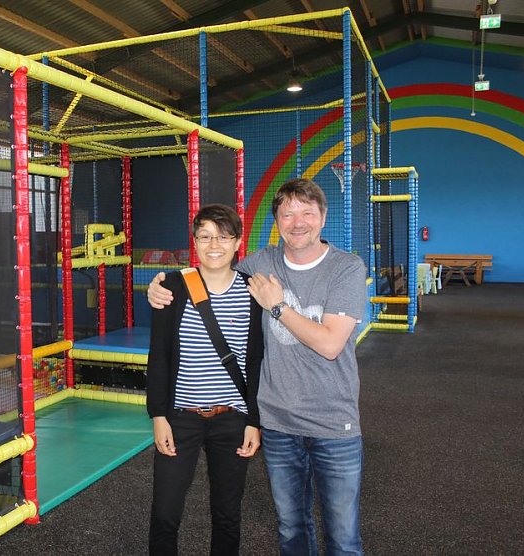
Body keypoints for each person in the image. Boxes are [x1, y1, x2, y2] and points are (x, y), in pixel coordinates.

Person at [148, 179, 367, 555]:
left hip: (322, 420)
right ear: (277, 221)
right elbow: (166, 345)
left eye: (307, 213)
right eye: (288, 213)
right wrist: (158, 285)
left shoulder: (339, 269)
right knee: (290, 526)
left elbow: (319, 347)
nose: (298, 222)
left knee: (341, 534)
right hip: (268, 420)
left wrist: (278, 307)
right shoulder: (249, 269)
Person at [147, 203, 264, 556]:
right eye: (206, 236)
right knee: (165, 512)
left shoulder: (252, 291)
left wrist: (253, 421)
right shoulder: (171, 285)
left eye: (224, 237)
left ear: (238, 243)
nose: (215, 245)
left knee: (227, 513)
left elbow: (256, 361)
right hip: (181, 417)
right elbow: (159, 357)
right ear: (195, 242)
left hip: (232, 418)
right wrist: (158, 416)